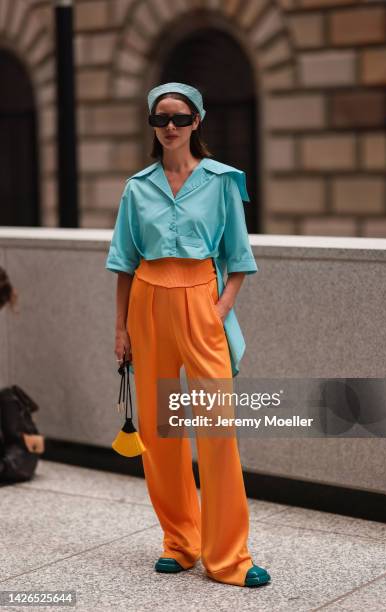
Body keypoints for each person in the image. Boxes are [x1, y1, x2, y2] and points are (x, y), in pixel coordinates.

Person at [105, 82, 270, 588]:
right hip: (146, 305)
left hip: (201, 302)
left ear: (197, 121)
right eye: (161, 119)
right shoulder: (138, 187)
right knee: (160, 435)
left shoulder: (222, 183)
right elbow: (125, 263)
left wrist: (218, 309)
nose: (170, 126)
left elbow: (238, 259)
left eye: (179, 117)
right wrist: (121, 328)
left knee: (218, 432)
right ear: (153, 126)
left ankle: (230, 558)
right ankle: (180, 542)